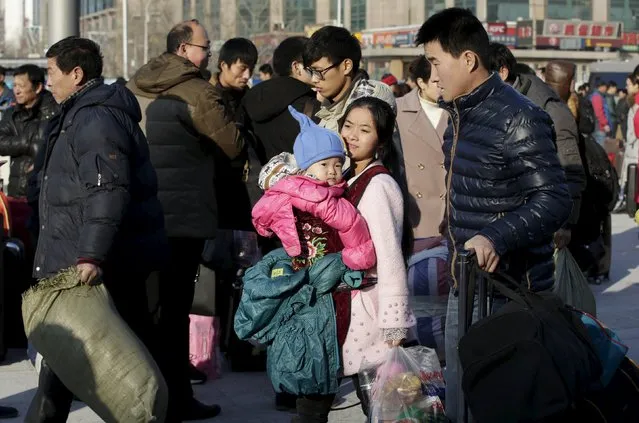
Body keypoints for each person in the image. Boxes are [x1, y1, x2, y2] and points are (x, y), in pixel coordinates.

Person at [416, 8, 571, 420]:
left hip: (509, 292)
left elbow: (553, 199)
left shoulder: (518, 117)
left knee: (501, 404)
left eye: (436, 62)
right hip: (465, 284)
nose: (433, 74)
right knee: (463, 396)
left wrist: (495, 236)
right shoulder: (461, 113)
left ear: (468, 60)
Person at [25, 36, 167, 423]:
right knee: (65, 363)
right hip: (85, 256)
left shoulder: (95, 118)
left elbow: (108, 190)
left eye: (52, 73)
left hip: (97, 262)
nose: (47, 81)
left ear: (76, 73)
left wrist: (90, 254)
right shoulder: (78, 113)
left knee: (79, 365)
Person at [127, 19, 243, 420]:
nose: (208, 54)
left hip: (141, 215)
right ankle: (176, 398)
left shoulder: (134, 86)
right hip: (183, 219)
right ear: (183, 49)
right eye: (204, 47)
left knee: (147, 309)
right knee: (176, 312)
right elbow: (232, 145)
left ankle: (142, 396)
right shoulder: (199, 92)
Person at [252, 106, 376, 273]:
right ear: (305, 168)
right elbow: (352, 226)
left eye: (338, 165)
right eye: (324, 164)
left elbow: (261, 216)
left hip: (303, 268)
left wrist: (266, 226)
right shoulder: (327, 200)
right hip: (322, 269)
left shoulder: (287, 189)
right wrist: (360, 261)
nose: (332, 170)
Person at [490, 46, 586, 249]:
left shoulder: (550, 111)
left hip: (538, 224)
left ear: (502, 73)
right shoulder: (490, 105)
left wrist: (564, 223)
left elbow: (571, 172)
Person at [302, 26, 397, 133]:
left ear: (346, 66)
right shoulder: (327, 106)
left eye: (318, 71)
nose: (314, 79)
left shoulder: (373, 98)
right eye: (311, 72)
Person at [242, 36, 319, 163]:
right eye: (313, 65)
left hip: (260, 179)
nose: (318, 70)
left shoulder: (249, 98)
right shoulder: (311, 106)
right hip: (297, 181)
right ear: (297, 67)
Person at [395, 55, 447, 241]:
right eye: (435, 81)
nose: (442, 85)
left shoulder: (458, 111)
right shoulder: (397, 110)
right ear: (421, 83)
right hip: (415, 215)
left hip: (449, 215)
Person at [0, 65, 57, 198]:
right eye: (14, 85)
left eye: (21, 86)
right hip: (17, 191)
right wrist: (27, 144)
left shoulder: (54, 112)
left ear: (37, 87)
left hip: (46, 192)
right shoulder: (12, 113)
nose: (16, 91)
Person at [591, 80, 612, 145]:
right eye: (605, 87)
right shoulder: (597, 96)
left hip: (598, 126)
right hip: (599, 127)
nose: (606, 89)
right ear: (601, 87)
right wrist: (605, 124)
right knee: (601, 150)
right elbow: (599, 112)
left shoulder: (597, 95)